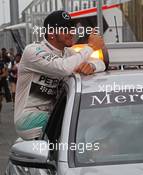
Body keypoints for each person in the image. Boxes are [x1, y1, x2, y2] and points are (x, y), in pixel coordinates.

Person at [14, 10, 106, 140]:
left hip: (53, 113)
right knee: (79, 121)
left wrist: (92, 66)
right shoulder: (33, 51)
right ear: (51, 33)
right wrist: (90, 46)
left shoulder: (68, 53)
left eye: (72, 28)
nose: (71, 32)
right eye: (66, 29)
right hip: (28, 118)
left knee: (85, 120)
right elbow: (63, 68)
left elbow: (101, 63)